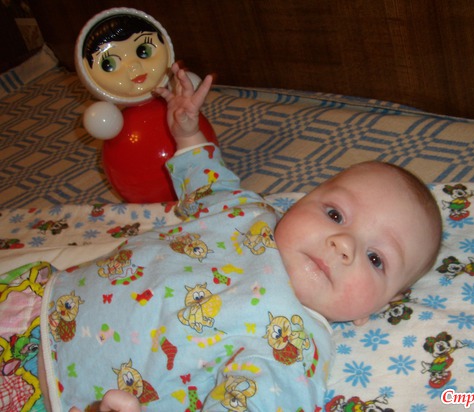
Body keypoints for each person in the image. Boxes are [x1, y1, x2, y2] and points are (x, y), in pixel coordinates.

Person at [39, 63, 442, 411]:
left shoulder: (296, 344)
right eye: (335, 214)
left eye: (376, 259)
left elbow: (257, 400)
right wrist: (188, 133)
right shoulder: (248, 212)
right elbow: (209, 184)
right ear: (301, 202)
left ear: (375, 308)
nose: (345, 244)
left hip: (60, 390)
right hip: (41, 297)